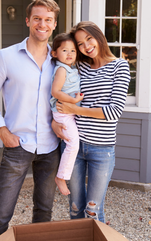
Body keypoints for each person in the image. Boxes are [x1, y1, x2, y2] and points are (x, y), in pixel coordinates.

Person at [0, 0, 61, 241]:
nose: (42, 24)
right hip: (18, 145)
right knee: (2, 214)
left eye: (48, 19)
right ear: (28, 20)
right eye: (37, 18)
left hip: (51, 146)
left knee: (44, 211)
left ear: (54, 24)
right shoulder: (6, 56)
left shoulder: (60, 61)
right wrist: (1, 130)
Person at [53, 21, 130, 223]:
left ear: (99, 36)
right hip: (74, 146)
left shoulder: (119, 66)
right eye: (80, 44)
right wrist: (54, 123)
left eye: (89, 39)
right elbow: (55, 86)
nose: (86, 46)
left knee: (93, 210)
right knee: (75, 208)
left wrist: (75, 109)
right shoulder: (80, 67)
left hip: (102, 150)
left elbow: (114, 112)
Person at [49, 33, 83, 196]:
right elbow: (55, 91)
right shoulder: (62, 70)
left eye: (73, 51)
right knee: (73, 144)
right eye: (64, 50)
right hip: (63, 112)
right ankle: (61, 177)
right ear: (54, 53)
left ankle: (62, 176)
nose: (69, 54)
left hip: (68, 112)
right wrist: (73, 101)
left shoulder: (71, 68)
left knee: (72, 142)